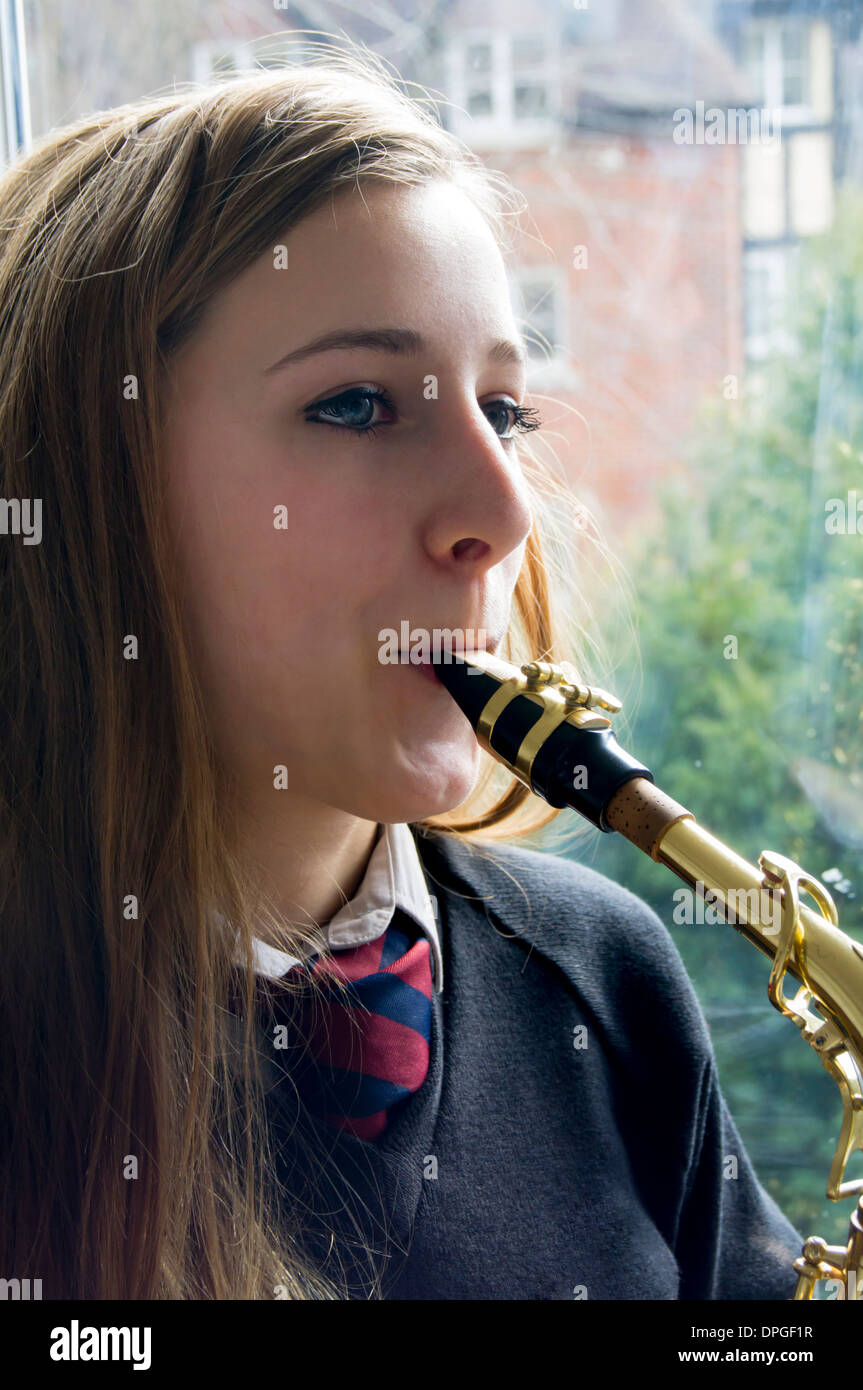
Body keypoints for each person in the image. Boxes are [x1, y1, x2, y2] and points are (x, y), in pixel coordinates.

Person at [0, 43, 804, 1300]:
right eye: (357, 405)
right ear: (89, 486)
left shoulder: (603, 975)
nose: (499, 509)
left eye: (504, 410)